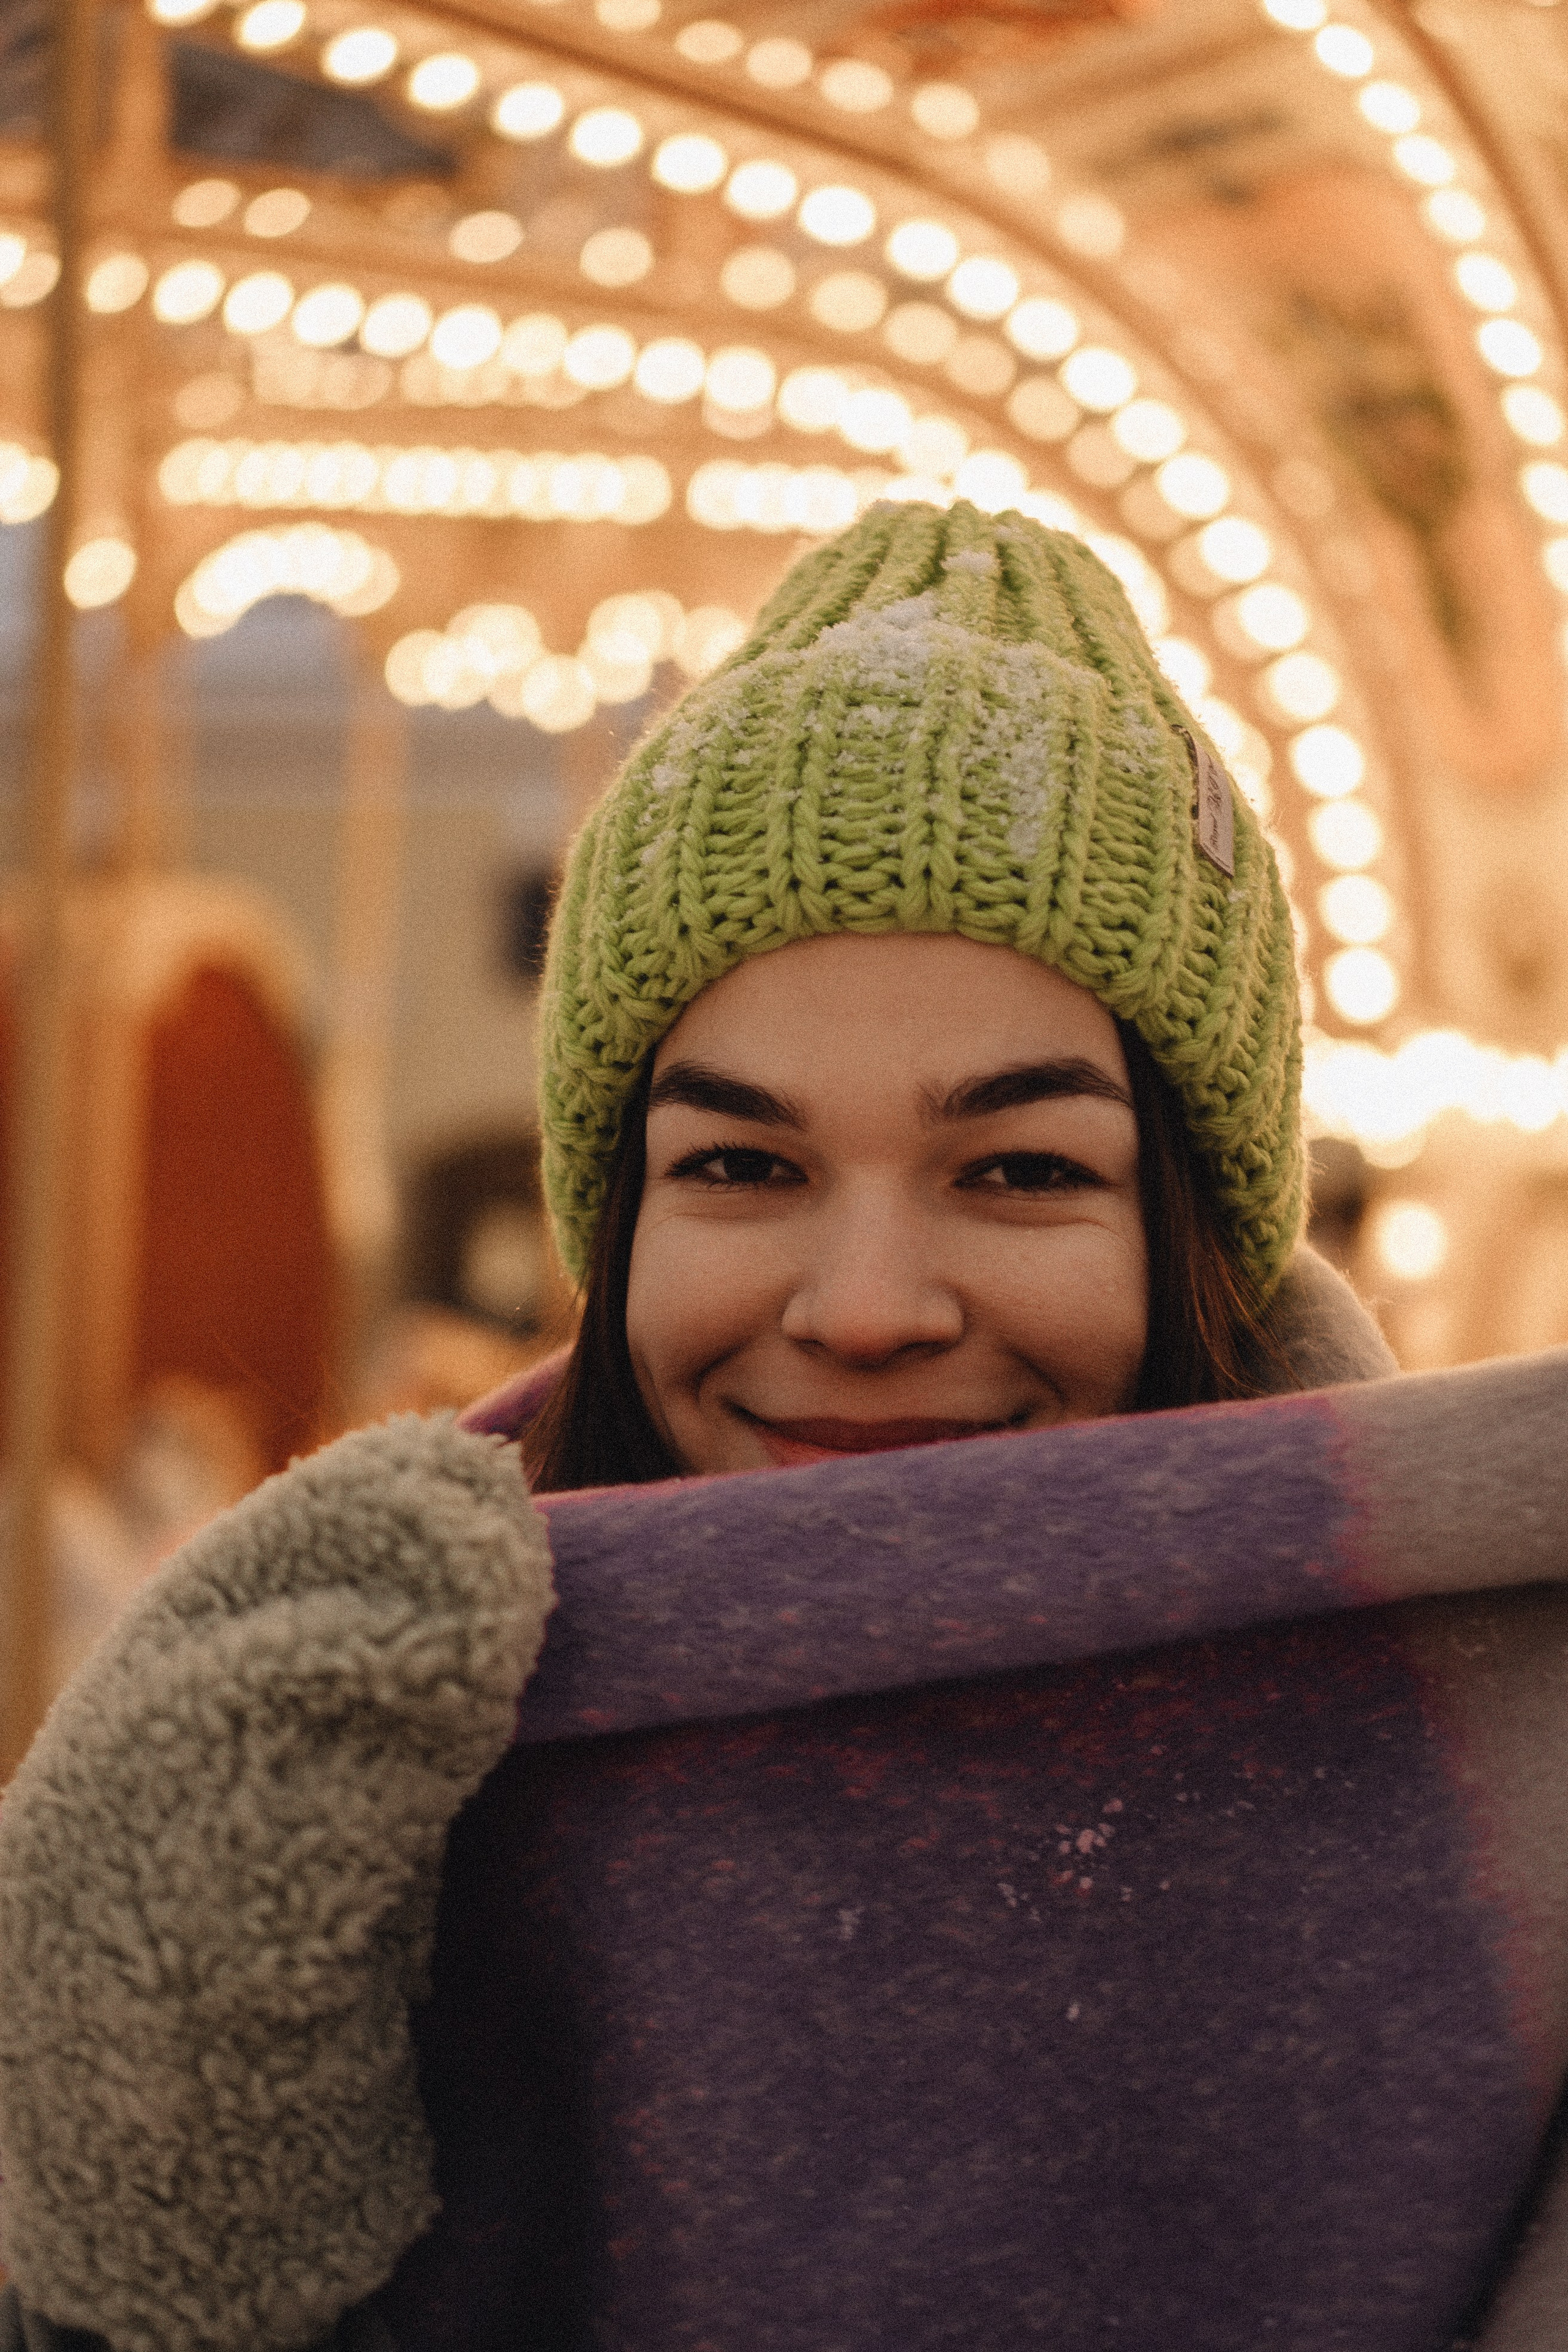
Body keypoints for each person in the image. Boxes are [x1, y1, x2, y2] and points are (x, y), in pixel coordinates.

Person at [4, 502, 1568, 2352]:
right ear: (620, 1221)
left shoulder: (1494, 1760)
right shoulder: (373, 1754)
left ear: (1193, 1237)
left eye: (1017, 1168)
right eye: (744, 1164)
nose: (867, 1306)